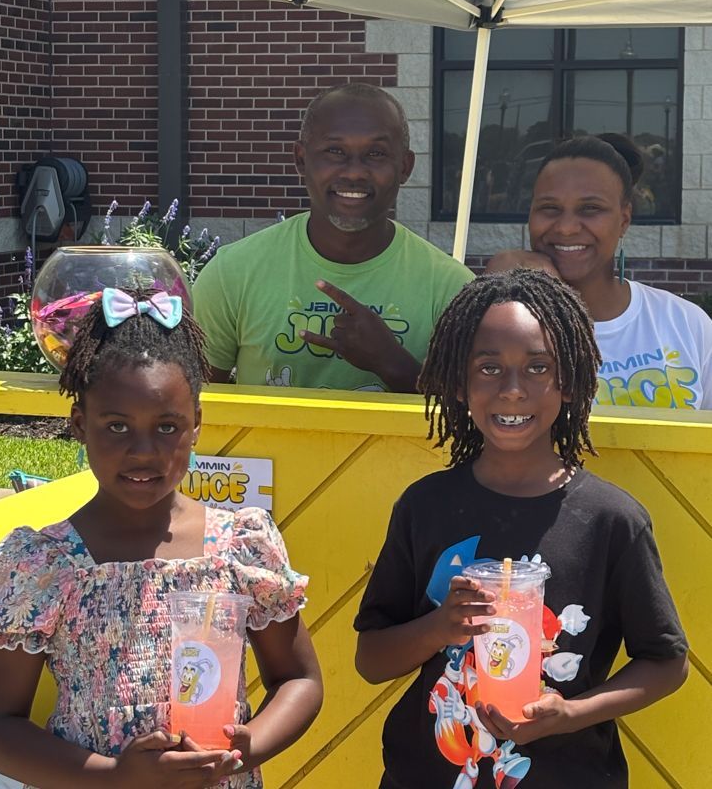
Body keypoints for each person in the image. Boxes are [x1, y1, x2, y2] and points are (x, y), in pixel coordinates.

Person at [0, 289, 322, 789]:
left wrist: (248, 747)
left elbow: (299, 680)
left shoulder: (239, 548)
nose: (142, 451)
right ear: (79, 425)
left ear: (196, 424)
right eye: (116, 426)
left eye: (167, 426)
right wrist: (116, 776)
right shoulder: (42, 566)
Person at [354, 270, 687, 789]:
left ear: (572, 383)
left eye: (538, 368)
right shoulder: (425, 506)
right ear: (460, 384)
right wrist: (440, 627)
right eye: (489, 368)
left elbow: (666, 662)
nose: (512, 390)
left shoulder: (611, 519)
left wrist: (573, 713)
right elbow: (371, 659)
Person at [193, 83, 473, 393]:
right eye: (335, 151)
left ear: (405, 167)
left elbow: (472, 425)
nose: (354, 172)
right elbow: (192, 410)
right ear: (301, 159)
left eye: (376, 153)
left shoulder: (451, 289)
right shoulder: (232, 273)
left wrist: (392, 363)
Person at [486, 134, 712, 408]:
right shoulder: (502, 322)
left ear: (624, 220)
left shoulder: (685, 324)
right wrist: (493, 294)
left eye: (590, 209)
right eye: (550, 208)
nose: (566, 227)